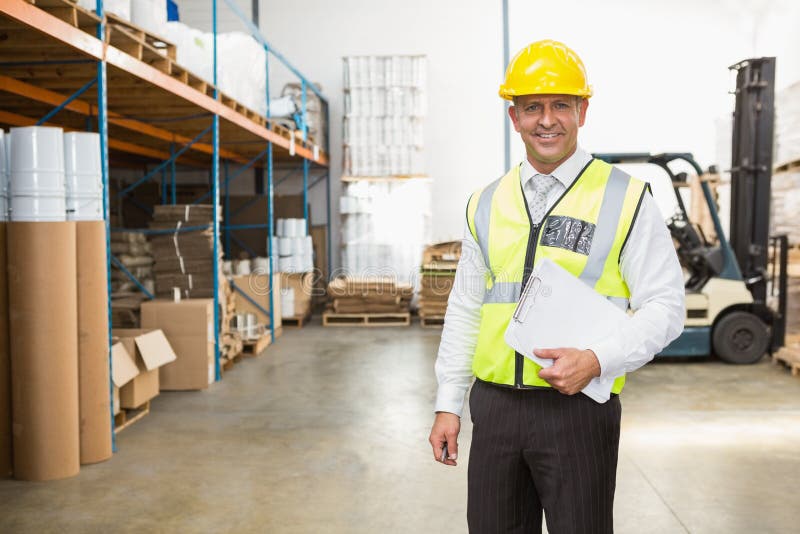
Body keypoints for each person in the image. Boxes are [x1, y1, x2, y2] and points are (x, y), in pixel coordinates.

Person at [428, 39, 685, 533]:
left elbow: (665, 307)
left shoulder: (625, 198)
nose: (547, 120)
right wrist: (448, 403)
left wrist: (596, 360)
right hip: (496, 408)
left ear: (582, 111)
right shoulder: (484, 203)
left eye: (561, 105)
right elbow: (465, 308)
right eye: (532, 108)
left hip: (578, 410)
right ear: (514, 117)